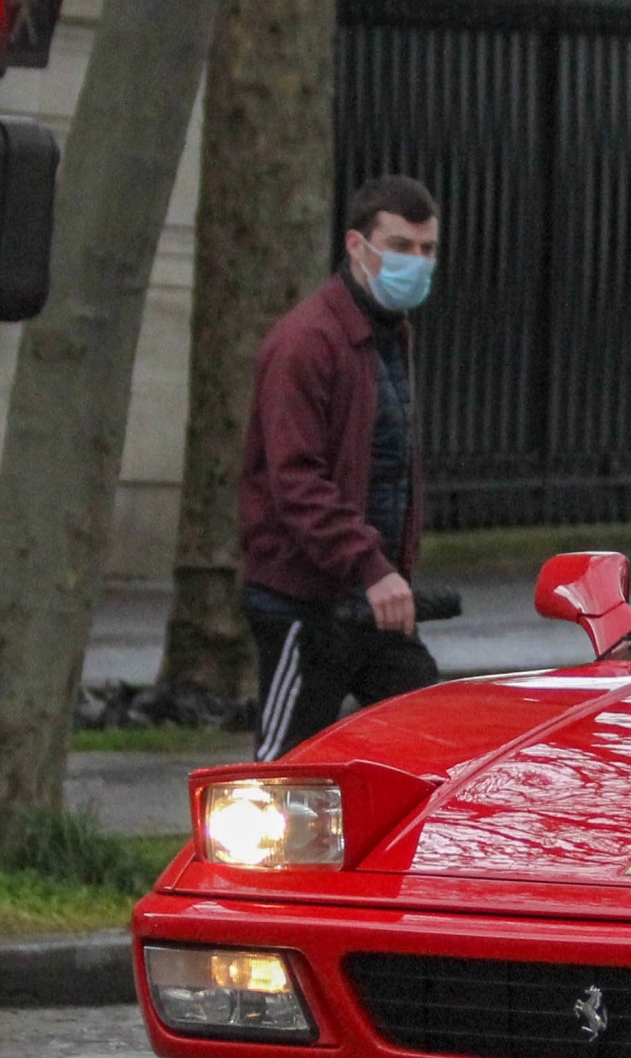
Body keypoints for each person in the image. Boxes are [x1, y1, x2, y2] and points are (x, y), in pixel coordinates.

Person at [238, 175, 442, 760]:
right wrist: (373, 567)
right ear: (357, 245)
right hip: (305, 603)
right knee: (280, 774)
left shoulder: (387, 336)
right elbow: (296, 481)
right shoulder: (307, 342)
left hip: (368, 601)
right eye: (401, 247)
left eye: (427, 250)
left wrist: (383, 573)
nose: (417, 262)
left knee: (432, 748)